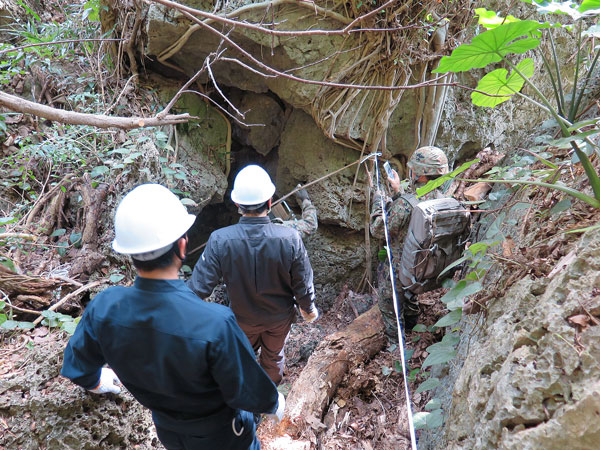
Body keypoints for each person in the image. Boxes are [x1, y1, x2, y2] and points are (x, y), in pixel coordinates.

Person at [61, 184, 284, 450]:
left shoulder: (104, 308)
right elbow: (250, 392)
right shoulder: (215, 323)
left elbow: (76, 365)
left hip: (168, 432)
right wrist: (275, 402)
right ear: (182, 246)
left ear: (130, 254)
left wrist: (96, 381)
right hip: (225, 437)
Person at [188, 165, 318, 385]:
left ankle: (244, 401)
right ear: (269, 202)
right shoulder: (290, 237)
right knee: (274, 357)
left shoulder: (220, 239)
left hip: (242, 318)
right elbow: (302, 284)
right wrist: (308, 309)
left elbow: (197, 289)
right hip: (278, 319)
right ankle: (268, 400)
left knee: (242, 358)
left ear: (238, 205)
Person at [370, 146, 449, 339]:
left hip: (402, 268)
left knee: (388, 303)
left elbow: (378, 230)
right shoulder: (443, 199)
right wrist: (398, 192)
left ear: (420, 175)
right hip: (426, 268)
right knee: (410, 294)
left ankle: (395, 343)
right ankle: (413, 326)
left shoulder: (405, 204)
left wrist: (378, 203)